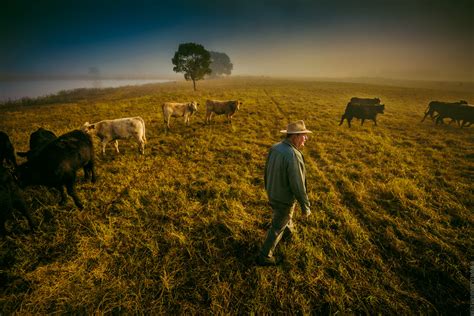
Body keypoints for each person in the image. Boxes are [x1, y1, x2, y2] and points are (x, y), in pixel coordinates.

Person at [257, 120, 312, 266]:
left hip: (272, 193)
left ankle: (290, 233)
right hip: (284, 198)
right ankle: (265, 256)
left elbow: (266, 171)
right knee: (277, 227)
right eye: (304, 136)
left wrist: (268, 188)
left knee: (284, 217)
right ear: (294, 137)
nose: (306, 139)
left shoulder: (275, 148)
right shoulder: (293, 155)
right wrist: (305, 206)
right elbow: (298, 185)